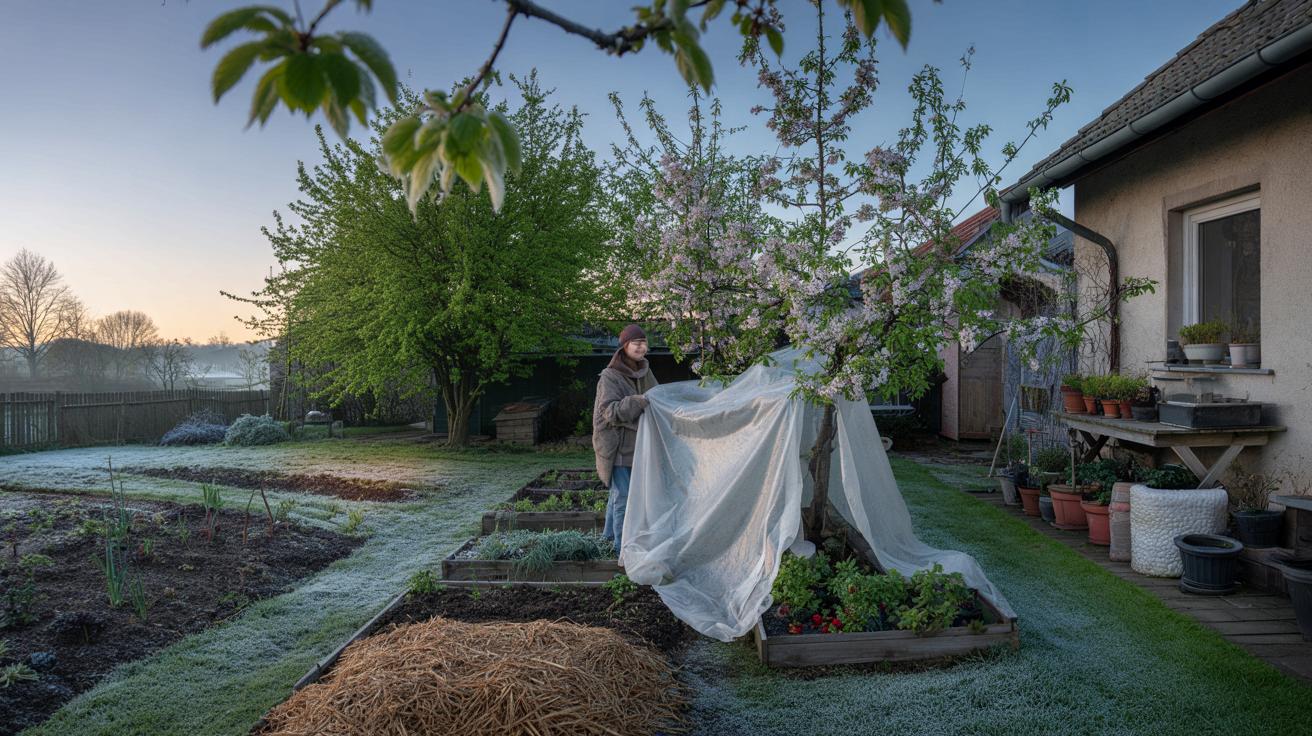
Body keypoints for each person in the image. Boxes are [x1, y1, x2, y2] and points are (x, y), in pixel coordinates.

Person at [592, 324, 658, 552]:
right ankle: (623, 551)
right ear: (625, 346)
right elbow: (608, 412)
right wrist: (636, 402)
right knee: (624, 497)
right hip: (617, 444)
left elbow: (655, 397)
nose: (641, 347)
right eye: (636, 343)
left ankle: (608, 539)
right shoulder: (610, 376)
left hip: (638, 444)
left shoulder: (645, 371)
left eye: (643, 342)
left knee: (619, 494)